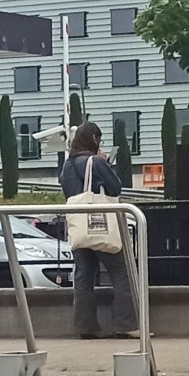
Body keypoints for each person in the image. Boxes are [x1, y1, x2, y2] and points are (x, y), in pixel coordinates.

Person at [60, 122, 138, 339]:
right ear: (94, 140)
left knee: (83, 276)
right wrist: (104, 163)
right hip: (99, 224)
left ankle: (86, 327)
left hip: (78, 227)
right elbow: (115, 188)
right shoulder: (95, 162)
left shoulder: (67, 166)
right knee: (123, 273)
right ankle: (126, 324)